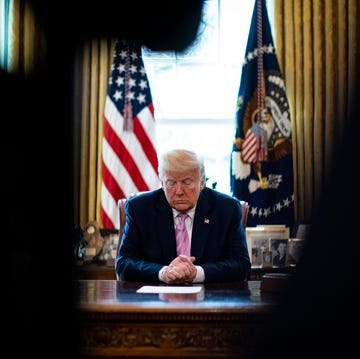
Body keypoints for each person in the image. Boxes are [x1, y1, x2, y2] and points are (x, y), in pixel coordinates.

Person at [116, 149, 251, 284]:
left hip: (210, 299)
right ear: (162, 184)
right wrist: (163, 273)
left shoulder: (226, 209)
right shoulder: (139, 209)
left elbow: (241, 265)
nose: (179, 191)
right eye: (171, 183)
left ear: (202, 182)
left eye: (187, 182)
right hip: (155, 299)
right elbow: (124, 263)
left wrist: (197, 273)